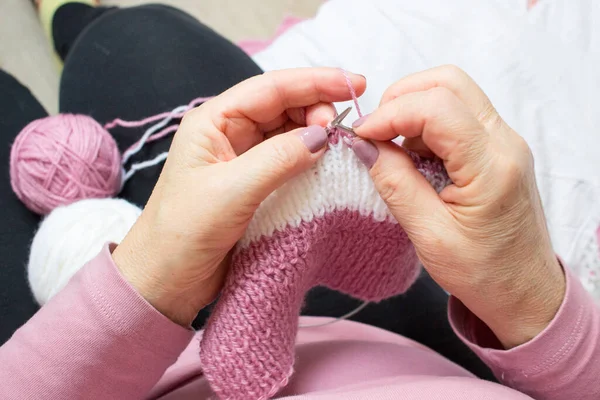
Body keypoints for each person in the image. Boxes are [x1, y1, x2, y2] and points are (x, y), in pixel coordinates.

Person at [0, 2, 598, 399]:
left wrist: (150, 281)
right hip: (423, 354)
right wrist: (530, 301)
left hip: (119, 374)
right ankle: (77, 20)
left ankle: (71, 22)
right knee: (135, 36)